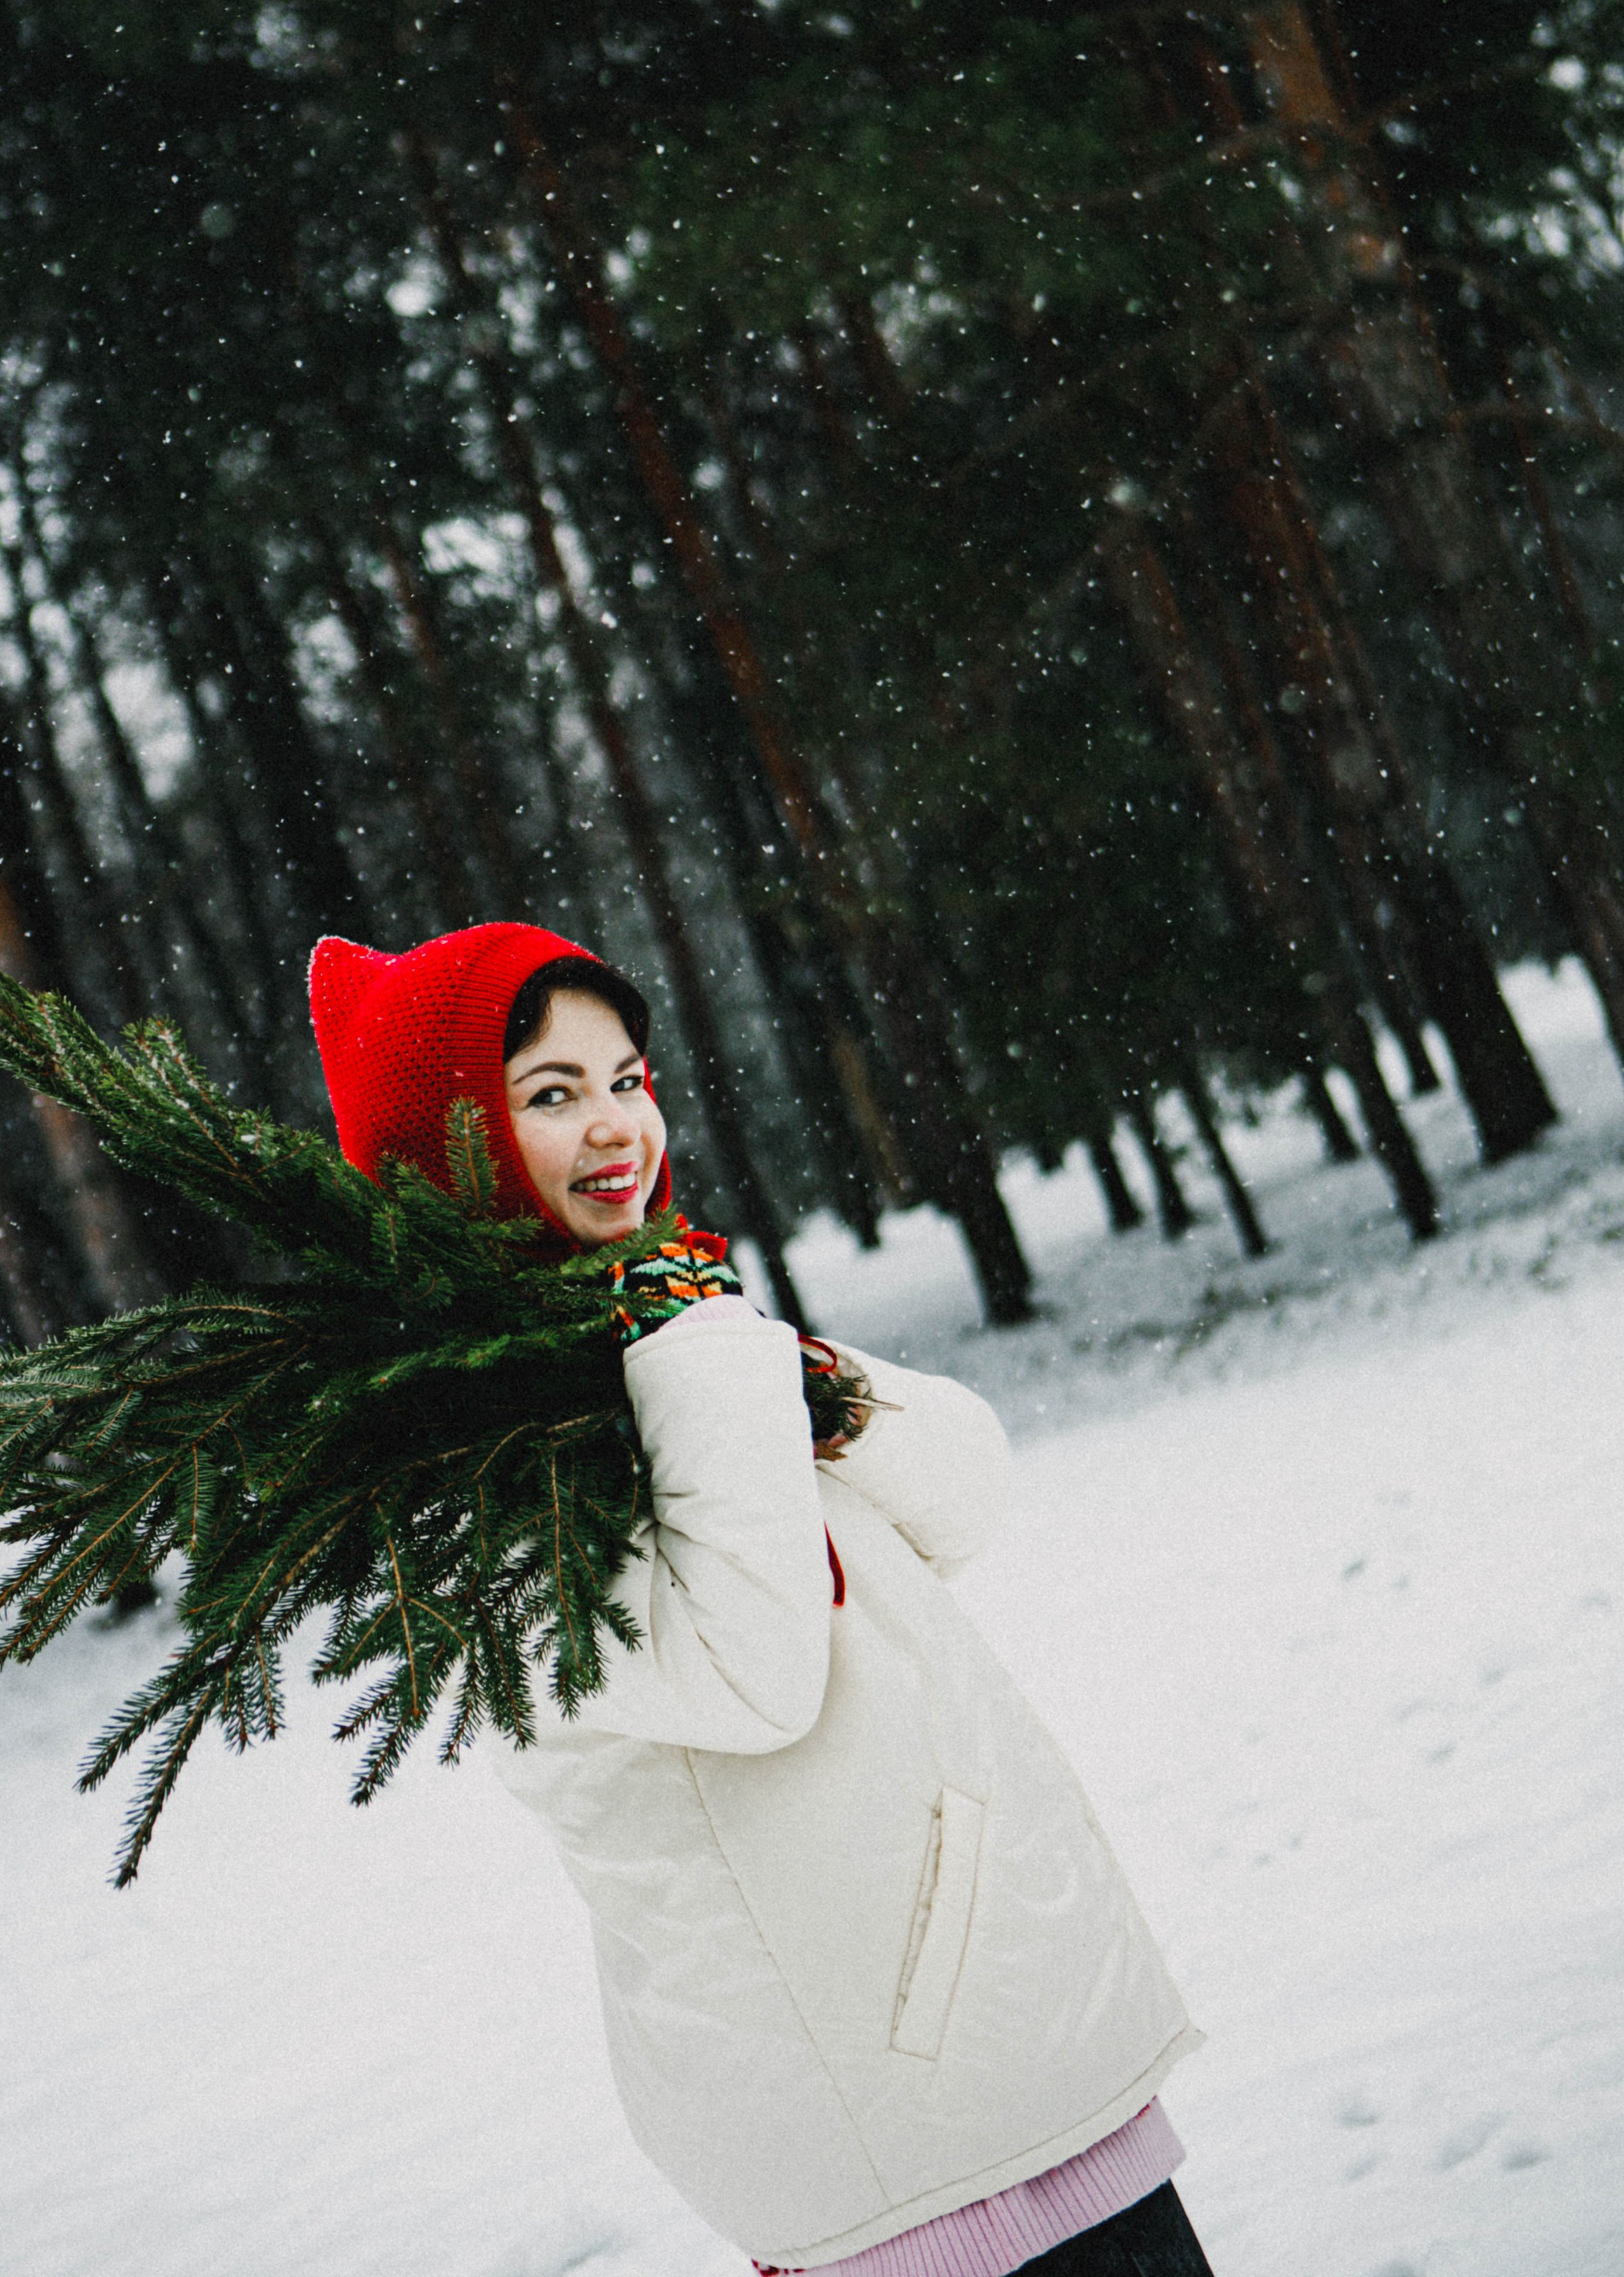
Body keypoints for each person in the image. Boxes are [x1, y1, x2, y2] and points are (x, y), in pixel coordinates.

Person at [309, 918, 1211, 2277]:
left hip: (1010, 2050)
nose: (616, 1128)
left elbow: (963, 1494)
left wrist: (787, 1372)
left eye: (628, 1079)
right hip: (887, 2121)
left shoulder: (670, 1329)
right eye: (550, 1095)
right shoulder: (482, 1475)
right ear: (451, 1149)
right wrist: (713, 1356)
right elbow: (752, 1673)